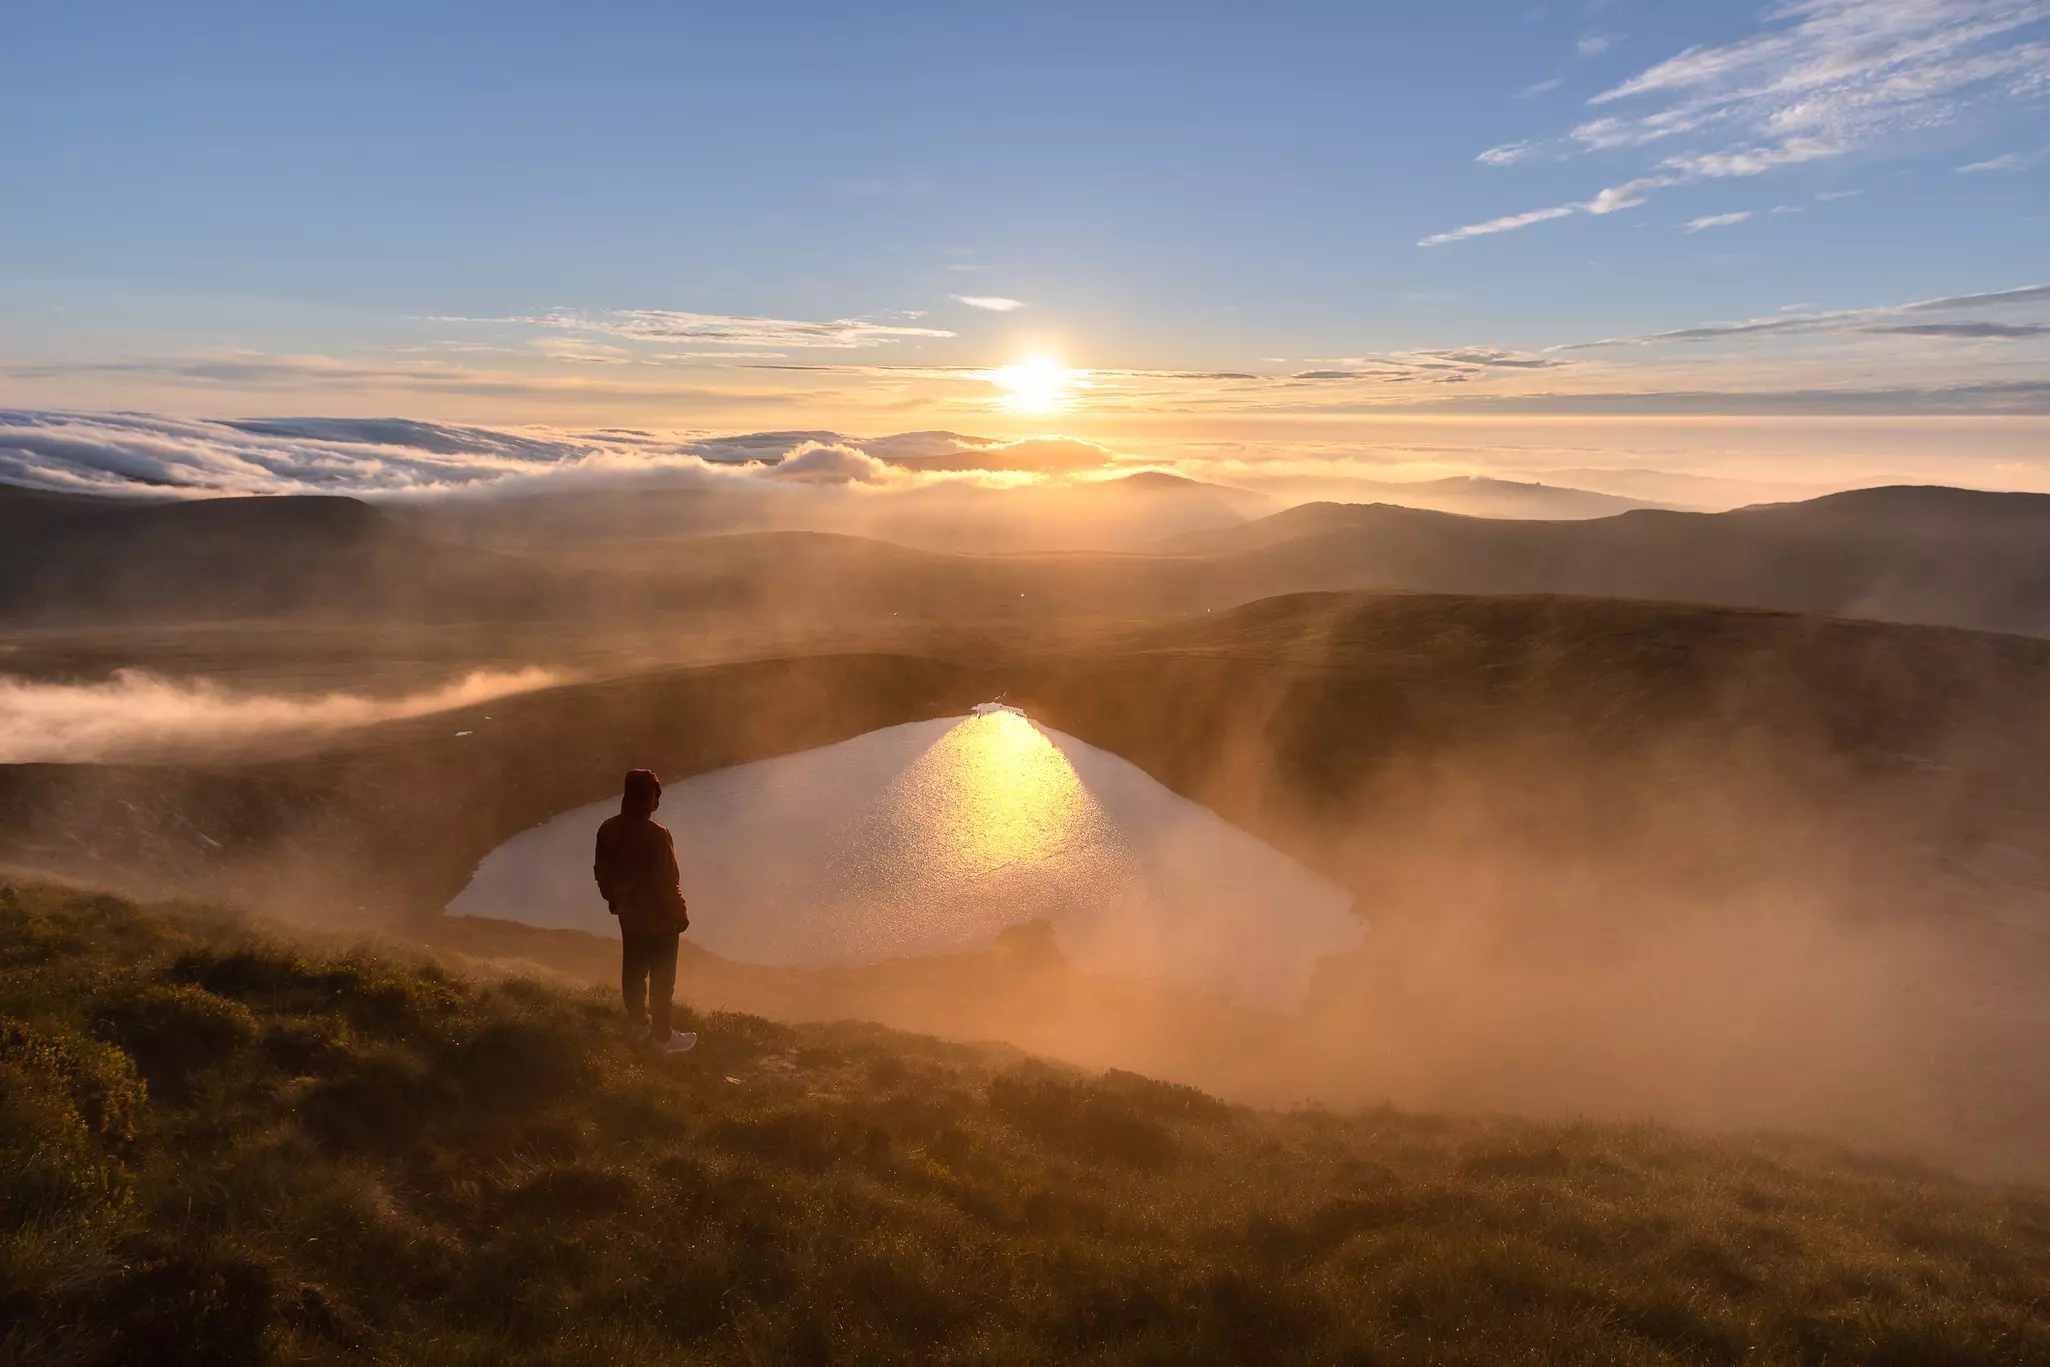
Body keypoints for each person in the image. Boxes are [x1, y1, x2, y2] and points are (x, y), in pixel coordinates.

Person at [593, 768, 698, 1053]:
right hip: (659, 919)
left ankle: (639, 1027)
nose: (658, 801)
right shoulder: (658, 836)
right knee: (663, 978)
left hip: (629, 915)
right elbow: (667, 883)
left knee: (634, 971)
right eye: (655, 795)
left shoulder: (608, 829)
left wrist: (614, 900)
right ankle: (662, 1038)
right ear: (645, 797)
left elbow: (602, 872)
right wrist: (680, 914)